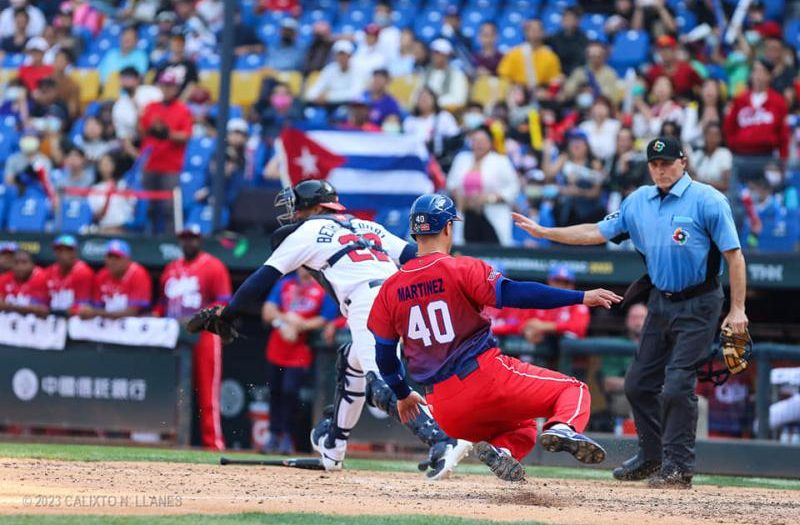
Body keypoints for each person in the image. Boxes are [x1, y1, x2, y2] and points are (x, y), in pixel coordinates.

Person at [187, 179, 470, 480]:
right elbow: (415, 256)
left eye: (296, 206)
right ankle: (333, 447)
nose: (293, 213)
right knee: (352, 361)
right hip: (399, 294)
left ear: (315, 206)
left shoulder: (307, 230)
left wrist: (229, 312)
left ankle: (442, 439)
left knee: (381, 385)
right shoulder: (367, 226)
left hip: (367, 300)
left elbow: (263, 277)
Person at [513, 136, 748, 488]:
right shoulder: (638, 201)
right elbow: (596, 231)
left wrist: (738, 310)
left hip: (701, 302)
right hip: (661, 300)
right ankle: (652, 455)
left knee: (679, 383)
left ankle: (678, 467)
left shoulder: (708, 200)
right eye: (654, 164)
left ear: (683, 161)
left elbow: (734, 256)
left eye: (667, 162)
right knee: (638, 384)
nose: (661, 169)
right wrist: (547, 232)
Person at [368, 194, 620, 481]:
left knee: (523, 427)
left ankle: (502, 451)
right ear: (448, 227)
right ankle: (563, 427)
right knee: (573, 390)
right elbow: (516, 293)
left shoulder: (390, 288)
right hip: (484, 378)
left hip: (444, 409)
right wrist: (579, 296)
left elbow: (384, 355)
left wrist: (401, 395)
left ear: (415, 231)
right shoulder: (460, 268)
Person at [158, 224, 231, 450]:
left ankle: (213, 442)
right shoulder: (171, 268)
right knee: (171, 387)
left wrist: (198, 318)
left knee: (208, 392)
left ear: (199, 240)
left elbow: (224, 304)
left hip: (204, 334)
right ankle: (173, 438)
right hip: (173, 335)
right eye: (185, 238)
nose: (188, 242)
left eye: (192, 238)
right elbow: (162, 305)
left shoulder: (213, 266)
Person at [261, 267, 338, 455]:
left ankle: (287, 437)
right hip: (278, 345)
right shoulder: (285, 283)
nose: (305, 270)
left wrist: (300, 325)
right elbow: (268, 311)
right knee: (275, 392)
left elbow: (326, 317)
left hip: (300, 348)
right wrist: (285, 320)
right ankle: (272, 434)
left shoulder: (321, 288)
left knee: (290, 392)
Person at [446, 125, 520, 246]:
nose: (479, 144)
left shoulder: (500, 160)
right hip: (466, 213)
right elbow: (451, 183)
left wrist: (490, 198)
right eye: (475, 141)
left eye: (483, 141)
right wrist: (459, 195)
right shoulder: (461, 159)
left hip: (492, 213)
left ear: (490, 143)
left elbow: (513, 187)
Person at [139, 70, 193, 234]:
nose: (167, 89)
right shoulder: (151, 107)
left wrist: (166, 132)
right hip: (150, 163)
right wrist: (152, 128)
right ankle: (148, 241)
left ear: (176, 88)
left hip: (171, 166)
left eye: (170, 86)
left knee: (169, 208)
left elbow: (185, 136)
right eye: (164, 85)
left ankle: (170, 242)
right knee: (149, 208)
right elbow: (142, 130)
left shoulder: (182, 110)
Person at [722, 59, 789, 181]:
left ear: (769, 76)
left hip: (767, 157)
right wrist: (735, 144)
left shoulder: (778, 101)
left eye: (762, 71)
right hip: (741, 157)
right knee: (737, 196)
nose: (758, 75)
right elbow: (729, 127)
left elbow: (783, 134)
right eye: (755, 71)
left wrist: (782, 160)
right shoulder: (740, 100)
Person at [522, 265, 591, 358]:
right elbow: (522, 323)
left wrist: (546, 327)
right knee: (527, 341)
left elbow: (578, 328)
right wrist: (528, 329)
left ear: (572, 285)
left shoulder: (578, 303)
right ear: (549, 282)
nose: (561, 286)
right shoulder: (538, 300)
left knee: (568, 338)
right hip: (541, 342)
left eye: (566, 282)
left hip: (566, 348)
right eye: (557, 281)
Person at [78, 240, 152, 319]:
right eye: (110, 257)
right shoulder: (102, 275)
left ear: (127, 259)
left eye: (117, 257)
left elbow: (132, 312)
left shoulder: (138, 274)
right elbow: (96, 305)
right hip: (106, 326)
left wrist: (95, 312)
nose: (112, 261)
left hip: (134, 327)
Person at [498, 19, 561, 90]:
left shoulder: (550, 56)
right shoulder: (514, 53)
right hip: (517, 91)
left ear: (543, 33)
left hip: (541, 92)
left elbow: (554, 80)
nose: (535, 33)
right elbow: (504, 77)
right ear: (526, 32)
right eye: (532, 30)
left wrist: (548, 93)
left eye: (538, 30)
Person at [305, 40, 367, 107]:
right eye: (339, 54)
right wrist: (316, 97)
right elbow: (312, 92)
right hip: (327, 104)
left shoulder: (358, 70)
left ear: (350, 56)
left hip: (349, 105)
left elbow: (355, 94)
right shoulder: (329, 69)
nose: (341, 57)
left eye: (344, 54)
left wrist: (329, 97)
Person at [87, 153, 137, 233]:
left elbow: (133, 205)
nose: (105, 165)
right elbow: (95, 214)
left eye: (108, 163)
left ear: (114, 165)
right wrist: (107, 199)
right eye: (102, 163)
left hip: (124, 229)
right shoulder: (94, 188)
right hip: (104, 229)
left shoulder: (123, 184)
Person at [44, 234, 93, 314]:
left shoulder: (83, 272)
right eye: (60, 250)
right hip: (52, 317)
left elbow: (82, 307)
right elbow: (42, 302)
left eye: (68, 250)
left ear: (75, 252)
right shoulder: (49, 271)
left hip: (77, 319)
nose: (64, 254)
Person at [645, 35, 701, 99]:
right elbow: (648, 92)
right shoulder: (653, 71)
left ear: (675, 50)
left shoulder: (687, 69)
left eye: (668, 49)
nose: (664, 52)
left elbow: (698, 88)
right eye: (661, 49)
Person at [420, 39, 468, 109]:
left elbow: (459, 100)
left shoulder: (457, 75)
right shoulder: (426, 73)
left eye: (437, 53)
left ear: (446, 55)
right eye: (433, 53)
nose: (434, 56)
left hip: (447, 113)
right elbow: (419, 94)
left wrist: (434, 102)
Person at [0, 249, 49, 317]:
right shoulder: (5, 278)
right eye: (16, 262)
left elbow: (42, 309)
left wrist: (10, 306)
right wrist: (22, 308)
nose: (20, 267)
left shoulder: (42, 277)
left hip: (38, 324)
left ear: (33, 264)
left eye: (24, 262)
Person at [153, 33, 199, 99]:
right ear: (171, 44)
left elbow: (192, 85)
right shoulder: (163, 65)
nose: (177, 45)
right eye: (175, 42)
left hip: (182, 102)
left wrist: (181, 102)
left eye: (180, 43)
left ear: (184, 45)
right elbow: (156, 84)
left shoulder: (190, 65)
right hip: (164, 100)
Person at [689, 122, 732, 193]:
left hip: (718, 196)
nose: (712, 138)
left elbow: (725, 184)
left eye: (715, 135)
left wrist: (701, 182)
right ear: (704, 136)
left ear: (720, 137)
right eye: (709, 134)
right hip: (697, 195)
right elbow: (690, 177)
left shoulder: (724, 153)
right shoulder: (698, 154)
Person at [545, 7, 588, 76]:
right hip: (556, 74)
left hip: (574, 75)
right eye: (564, 18)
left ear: (577, 21)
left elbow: (580, 63)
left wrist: (566, 75)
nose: (566, 21)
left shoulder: (583, 39)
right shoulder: (557, 36)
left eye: (569, 19)